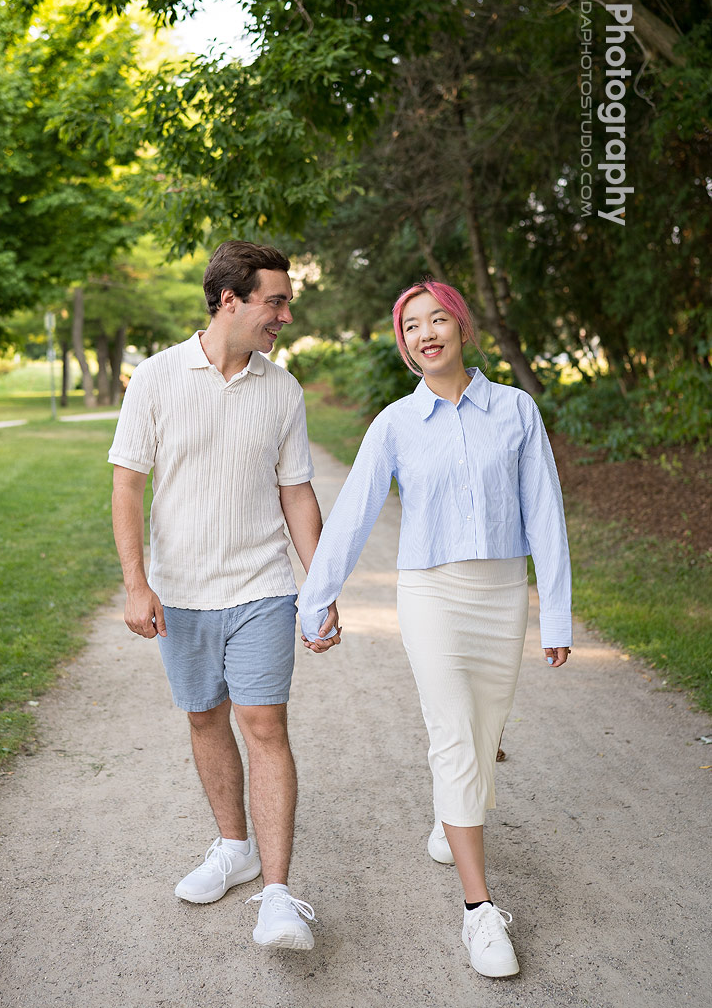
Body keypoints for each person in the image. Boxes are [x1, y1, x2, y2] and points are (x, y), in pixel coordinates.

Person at [298, 279, 571, 978]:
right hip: (430, 594)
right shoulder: (393, 423)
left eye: (437, 319)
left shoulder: (514, 409)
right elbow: (355, 512)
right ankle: (480, 913)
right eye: (411, 325)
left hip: (501, 591)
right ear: (403, 344)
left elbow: (544, 514)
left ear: (461, 328)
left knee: (483, 730)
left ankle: (454, 818)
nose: (425, 333)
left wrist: (555, 615)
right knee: (453, 736)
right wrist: (316, 597)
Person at [108, 241, 340, 952]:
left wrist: (319, 585)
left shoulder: (283, 390)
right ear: (230, 300)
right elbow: (126, 484)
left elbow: (295, 491)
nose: (285, 314)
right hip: (180, 593)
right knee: (204, 720)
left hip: (261, 587)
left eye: (284, 301)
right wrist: (136, 583)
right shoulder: (154, 378)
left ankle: (276, 895)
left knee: (262, 724)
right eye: (275, 300)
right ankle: (232, 847)